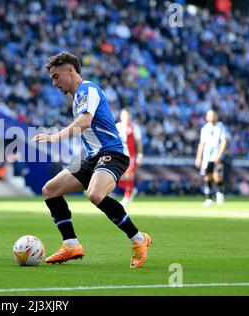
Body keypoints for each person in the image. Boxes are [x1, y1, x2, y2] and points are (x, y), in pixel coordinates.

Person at [32, 52, 151, 268]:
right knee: (50, 190)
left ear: (70, 71)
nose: (53, 82)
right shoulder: (77, 98)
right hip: (92, 157)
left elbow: (85, 122)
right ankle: (70, 244)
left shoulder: (88, 89)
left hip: (113, 152)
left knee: (95, 194)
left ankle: (139, 241)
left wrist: (55, 137)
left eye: (56, 76)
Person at [194, 109, 228, 207]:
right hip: (206, 156)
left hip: (216, 156)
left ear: (216, 116)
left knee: (217, 176)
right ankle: (209, 198)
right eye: (210, 115)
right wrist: (198, 157)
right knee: (207, 176)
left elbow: (224, 141)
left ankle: (220, 193)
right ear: (207, 117)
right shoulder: (205, 128)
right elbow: (202, 143)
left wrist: (219, 154)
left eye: (213, 115)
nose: (212, 117)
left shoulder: (221, 127)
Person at [116, 108, 144, 207]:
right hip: (119, 155)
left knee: (129, 176)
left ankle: (127, 197)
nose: (126, 118)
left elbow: (139, 142)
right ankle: (131, 190)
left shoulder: (134, 127)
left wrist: (140, 155)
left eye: (128, 116)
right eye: (124, 115)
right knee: (117, 176)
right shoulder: (117, 127)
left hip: (130, 156)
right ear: (121, 116)